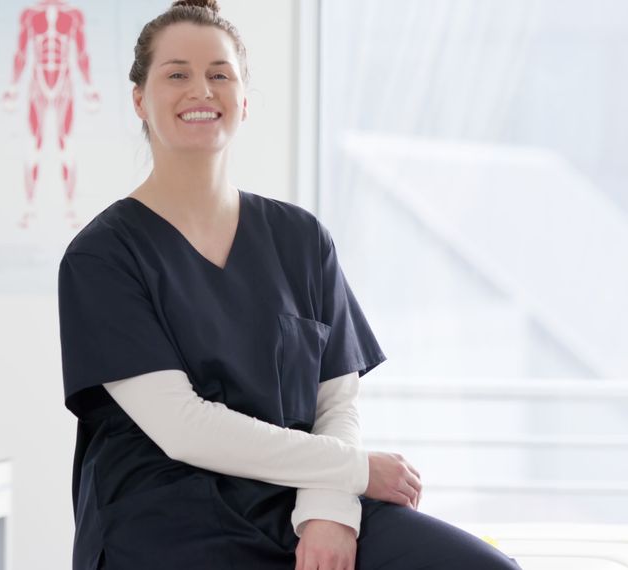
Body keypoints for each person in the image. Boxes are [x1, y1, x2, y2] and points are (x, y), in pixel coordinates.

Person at [57, 1, 522, 569]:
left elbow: (337, 402)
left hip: (295, 496)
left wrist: (330, 511)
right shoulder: (104, 255)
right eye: (176, 74)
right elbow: (182, 427)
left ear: (244, 99)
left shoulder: (301, 239)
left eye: (219, 74)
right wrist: (355, 471)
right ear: (139, 100)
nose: (200, 90)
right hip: (166, 513)